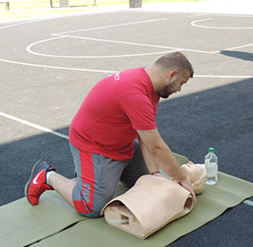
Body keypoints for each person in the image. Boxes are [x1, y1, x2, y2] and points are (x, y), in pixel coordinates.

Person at [24, 51, 195, 218]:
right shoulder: (135, 92)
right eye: (182, 82)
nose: (179, 89)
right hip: (93, 146)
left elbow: (146, 137)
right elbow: (157, 147)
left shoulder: (151, 87)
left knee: (150, 185)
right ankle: (47, 175)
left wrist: (154, 173)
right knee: (92, 207)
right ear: (172, 75)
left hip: (122, 145)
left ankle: (94, 177)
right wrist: (182, 178)